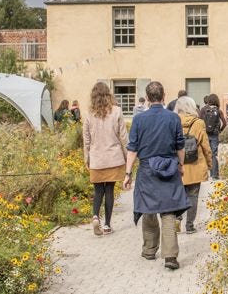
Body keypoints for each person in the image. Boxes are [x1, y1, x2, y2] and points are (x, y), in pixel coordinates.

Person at [124, 81, 190, 270]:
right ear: (163, 96)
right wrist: (181, 165)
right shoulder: (173, 118)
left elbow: (132, 148)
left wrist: (128, 173)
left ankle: (150, 250)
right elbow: (180, 146)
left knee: (149, 209)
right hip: (169, 168)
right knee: (168, 211)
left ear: (147, 97)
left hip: (147, 169)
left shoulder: (139, 120)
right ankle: (170, 256)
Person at [83, 82, 127, 236]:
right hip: (113, 157)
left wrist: (86, 158)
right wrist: (128, 158)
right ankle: (107, 225)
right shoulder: (117, 111)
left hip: (96, 158)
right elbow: (124, 137)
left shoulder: (89, 114)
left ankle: (95, 216)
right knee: (109, 190)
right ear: (108, 94)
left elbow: (86, 140)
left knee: (98, 191)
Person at [174, 96, 212, 234]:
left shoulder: (173, 121)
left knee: (179, 194)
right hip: (195, 163)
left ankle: (177, 219)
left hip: (179, 164)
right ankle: (189, 226)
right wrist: (209, 163)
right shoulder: (199, 123)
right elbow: (205, 145)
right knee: (193, 195)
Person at [199, 93, 227, 180]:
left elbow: (199, 122)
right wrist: (220, 131)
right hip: (215, 135)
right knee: (214, 154)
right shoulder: (218, 111)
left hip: (205, 135)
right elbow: (224, 123)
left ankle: (204, 174)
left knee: (205, 153)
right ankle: (214, 175)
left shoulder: (203, 110)